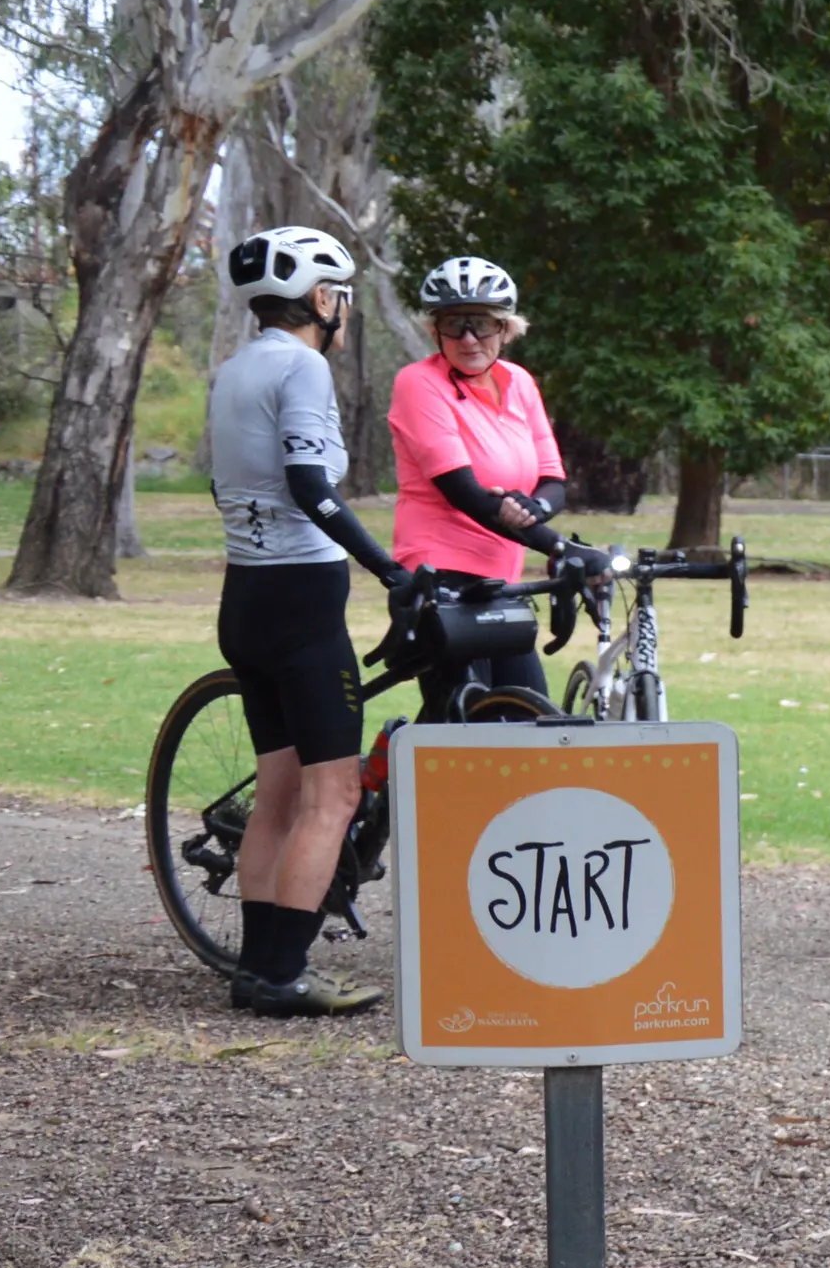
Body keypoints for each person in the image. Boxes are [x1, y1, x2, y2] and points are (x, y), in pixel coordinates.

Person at [203, 225, 406, 1016]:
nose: (342, 311)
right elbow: (310, 483)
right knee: (334, 797)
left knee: (280, 798)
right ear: (323, 299)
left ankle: (257, 971)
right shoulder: (304, 365)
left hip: (244, 599)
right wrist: (387, 566)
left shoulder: (234, 368)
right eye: (341, 296)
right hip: (301, 606)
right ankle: (283, 977)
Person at [388, 255, 578, 712]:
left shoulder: (520, 383)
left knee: (530, 717)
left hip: (501, 576)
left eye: (482, 324)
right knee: (464, 718)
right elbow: (464, 493)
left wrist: (530, 510)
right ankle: (393, 773)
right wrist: (559, 547)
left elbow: (553, 480)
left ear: (506, 329)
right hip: (441, 570)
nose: (469, 338)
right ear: (435, 330)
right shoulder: (418, 383)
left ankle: (396, 765)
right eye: (454, 325)